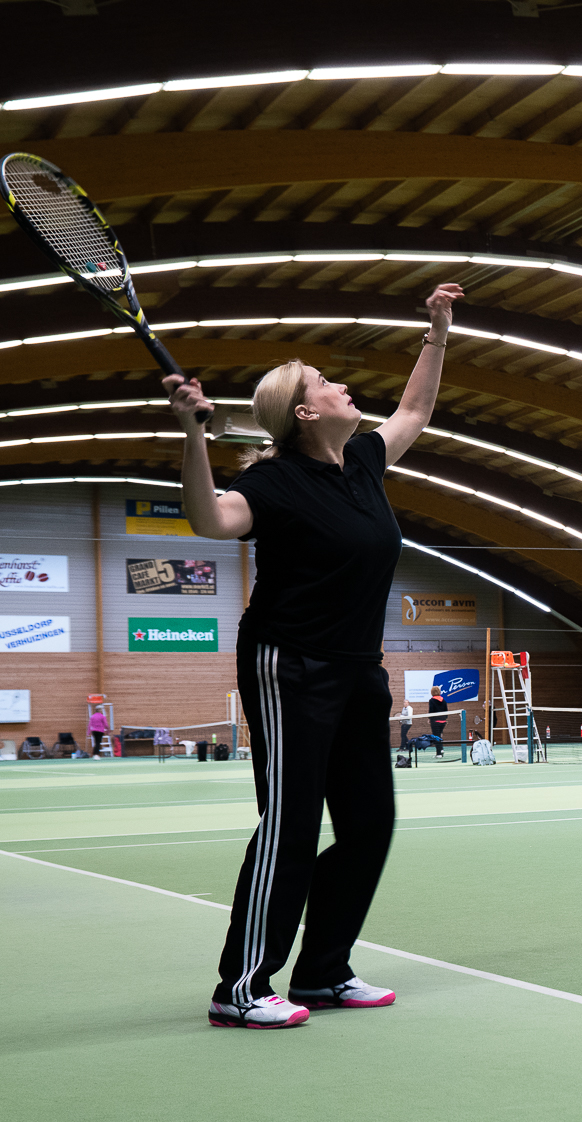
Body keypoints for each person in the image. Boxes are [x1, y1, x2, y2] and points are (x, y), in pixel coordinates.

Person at [169, 279, 464, 1030]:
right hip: (288, 664)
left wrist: (436, 331)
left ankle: (325, 971)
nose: (340, 386)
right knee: (290, 825)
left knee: (369, 824)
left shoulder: (364, 461)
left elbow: (417, 410)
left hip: (359, 669)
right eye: (325, 384)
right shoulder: (271, 481)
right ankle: (241, 986)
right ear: (303, 412)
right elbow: (210, 520)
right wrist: (194, 434)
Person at [428, 686, 448, 758]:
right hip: (443, 721)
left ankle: (438, 753)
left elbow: (431, 711)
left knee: (436, 736)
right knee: (439, 735)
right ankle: (441, 749)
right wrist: (445, 719)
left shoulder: (432, 700)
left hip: (435, 721)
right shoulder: (443, 700)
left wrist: (429, 719)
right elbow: (446, 710)